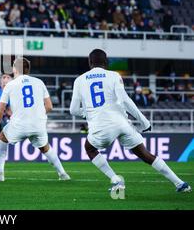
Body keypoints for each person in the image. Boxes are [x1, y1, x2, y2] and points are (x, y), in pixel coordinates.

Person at [69, 49, 191, 193]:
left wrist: (89, 113)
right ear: (106, 62)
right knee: (144, 154)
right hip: (122, 123)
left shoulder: (80, 80)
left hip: (101, 126)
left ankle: (116, 179)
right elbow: (125, 101)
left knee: (89, 148)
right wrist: (144, 121)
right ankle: (180, 184)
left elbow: (73, 110)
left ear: (90, 62)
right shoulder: (114, 76)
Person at [0, 58, 70, 182]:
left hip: (19, 125)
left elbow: (0, 110)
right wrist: (35, 114)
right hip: (38, 124)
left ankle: (0, 174)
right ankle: (63, 173)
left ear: (14, 69)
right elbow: (49, 106)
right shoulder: (39, 82)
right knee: (45, 148)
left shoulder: (10, 85)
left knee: (2, 139)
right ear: (28, 69)